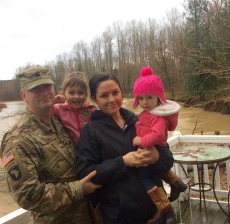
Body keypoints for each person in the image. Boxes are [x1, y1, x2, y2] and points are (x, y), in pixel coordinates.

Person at [0, 66, 101, 224]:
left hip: (86, 216)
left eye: (47, 86)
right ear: (23, 95)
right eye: (36, 89)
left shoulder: (60, 121)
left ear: (55, 89)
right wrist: (79, 189)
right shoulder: (18, 140)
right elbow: (26, 195)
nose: (44, 92)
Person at [75, 73, 175, 224]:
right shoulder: (90, 132)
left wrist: (157, 157)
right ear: (94, 100)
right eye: (104, 95)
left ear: (121, 92)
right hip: (120, 216)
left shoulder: (139, 120)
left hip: (155, 212)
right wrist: (122, 162)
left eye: (115, 92)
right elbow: (85, 173)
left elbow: (168, 159)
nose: (111, 99)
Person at [132, 66, 188, 222]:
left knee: (143, 177)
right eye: (141, 98)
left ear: (159, 97)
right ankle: (177, 184)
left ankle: (164, 207)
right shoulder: (148, 113)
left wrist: (140, 141)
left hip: (159, 149)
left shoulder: (157, 116)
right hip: (158, 150)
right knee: (155, 172)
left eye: (149, 97)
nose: (145, 102)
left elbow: (157, 135)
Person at [53, 72, 96, 144]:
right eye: (71, 93)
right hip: (72, 149)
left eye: (81, 93)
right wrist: (53, 101)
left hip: (90, 148)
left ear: (86, 94)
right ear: (64, 93)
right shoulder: (59, 109)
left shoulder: (91, 110)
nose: (76, 96)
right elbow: (44, 110)